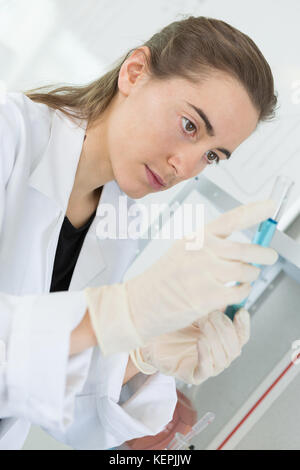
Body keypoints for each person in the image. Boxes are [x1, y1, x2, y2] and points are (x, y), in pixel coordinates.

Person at [0, 16, 278, 450]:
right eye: (190, 125)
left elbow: (53, 399)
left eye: (212, 155)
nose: (186, 167)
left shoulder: (117, 223)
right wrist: (120, 312)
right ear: (134, 73)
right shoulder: (9, 135)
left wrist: (141, 356)